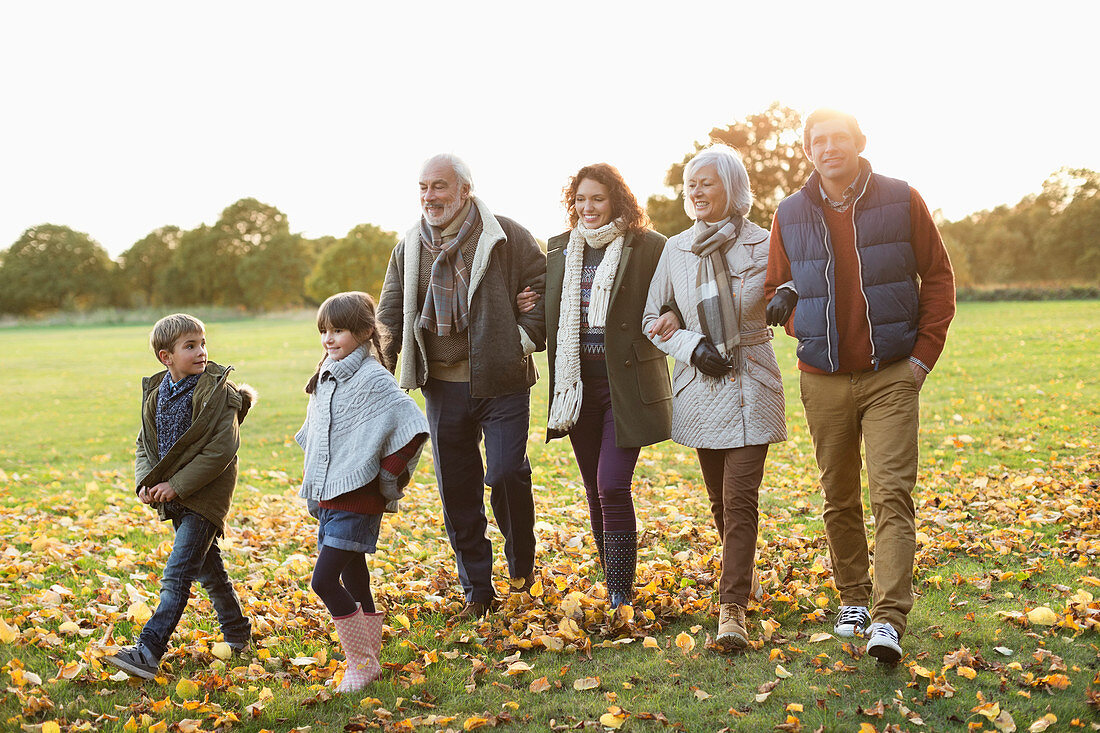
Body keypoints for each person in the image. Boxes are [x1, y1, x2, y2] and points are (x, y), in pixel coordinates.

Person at [765, 109, 955, 663]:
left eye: (839, 139)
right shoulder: (790, 212)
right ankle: (852, 599)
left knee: (892, 495)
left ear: (859, 143)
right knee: (839, 495)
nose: (829, 148)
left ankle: (889, 618)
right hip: (822, 379)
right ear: (808, 152)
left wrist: (921, 359)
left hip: (892, 374)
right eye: (818, 141)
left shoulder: (902, 199)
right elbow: (778, 283)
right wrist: (790, 313)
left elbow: (939, 277)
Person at [377, 154, 547, 620]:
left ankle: (521, 564)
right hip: (442, 387)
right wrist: (376, 374)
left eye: (439, 187)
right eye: (423, 187)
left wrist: (523, 337)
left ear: (464, 191)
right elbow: (390, 315)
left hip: (502, 381)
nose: (430, 196)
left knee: (507, 473)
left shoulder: (506, 235)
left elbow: (542, 285)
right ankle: (477, 588)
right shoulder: (409, 246)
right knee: (457, 489)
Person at [642, 145, 786, 650]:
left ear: (732, 187)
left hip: (751, 381)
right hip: (701, 388)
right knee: (719, 504)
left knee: (740, 500)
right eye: (691, 185)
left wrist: (788, 294)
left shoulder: (764, 243)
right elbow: (652, 318)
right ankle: (743, 577)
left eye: (707, 182)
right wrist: (689, 344)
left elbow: (791, 290)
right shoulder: (676, 249)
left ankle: (732, 611)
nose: (696, 192)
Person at [516, 163, 671, 609]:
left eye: (597, 198)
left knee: (611, 485)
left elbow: (672, 295)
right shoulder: (560, 249)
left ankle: (622, 591)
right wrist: (522, 302)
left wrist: (673, 315)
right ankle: (614, 579)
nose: (588, 207)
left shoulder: (648, 246)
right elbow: (547, 306)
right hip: (576, 386)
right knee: (593, 489)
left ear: (617, 200)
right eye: (580, 199)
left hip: (625, 386)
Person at [104, 314, 255, 680]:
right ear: (165, 357)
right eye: (190, 346)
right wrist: (146, 482)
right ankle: (238, 636)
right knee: (211, 573)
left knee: (176, 576)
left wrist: (177, 486)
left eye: (203, 343)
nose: (201, 351)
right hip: (176, 499)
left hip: (204, 498)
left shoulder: (218, 392)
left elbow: (221, 450)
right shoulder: (157, 395)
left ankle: (149, 649)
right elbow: (145, 444)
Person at [296, 292, 428, 692]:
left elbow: (412, 424)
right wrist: (315, 488)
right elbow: (319, 436)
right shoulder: (327, 373)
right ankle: (370, 659)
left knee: (322, 581)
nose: (329, 339)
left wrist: (386, 475)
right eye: (324, 331)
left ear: (365, 331)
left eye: (338, 330)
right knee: (355, 578)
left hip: (359, 499)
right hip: (331, 497)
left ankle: (361, 662)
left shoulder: (373, 377)